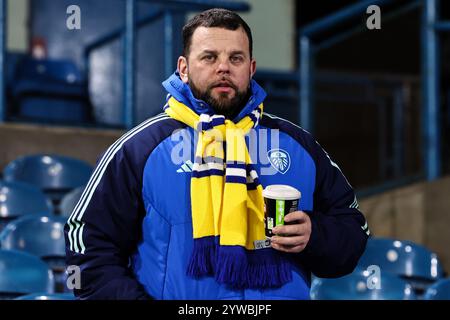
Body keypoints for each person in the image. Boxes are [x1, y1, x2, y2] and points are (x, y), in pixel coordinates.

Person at [64, 8, 369, 300]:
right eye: (209, 57)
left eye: (236, 58)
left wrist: (316, 236)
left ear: (250, 69)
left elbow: (353, 230)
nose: (223, 67)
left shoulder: (297, 145)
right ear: (183, 68)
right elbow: (87, 246)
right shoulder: (140, 148)